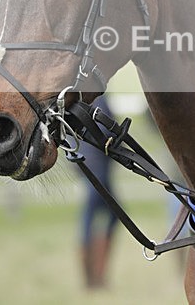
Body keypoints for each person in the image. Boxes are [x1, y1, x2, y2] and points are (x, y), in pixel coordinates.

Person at [78, 94, 119, 289]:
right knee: (107, 216)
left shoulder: (77, 100)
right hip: (98, 170)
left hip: (89, 169)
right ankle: (96, 275)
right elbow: (108, 132)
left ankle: (93, 275)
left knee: (92, 217)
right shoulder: (97, 99)